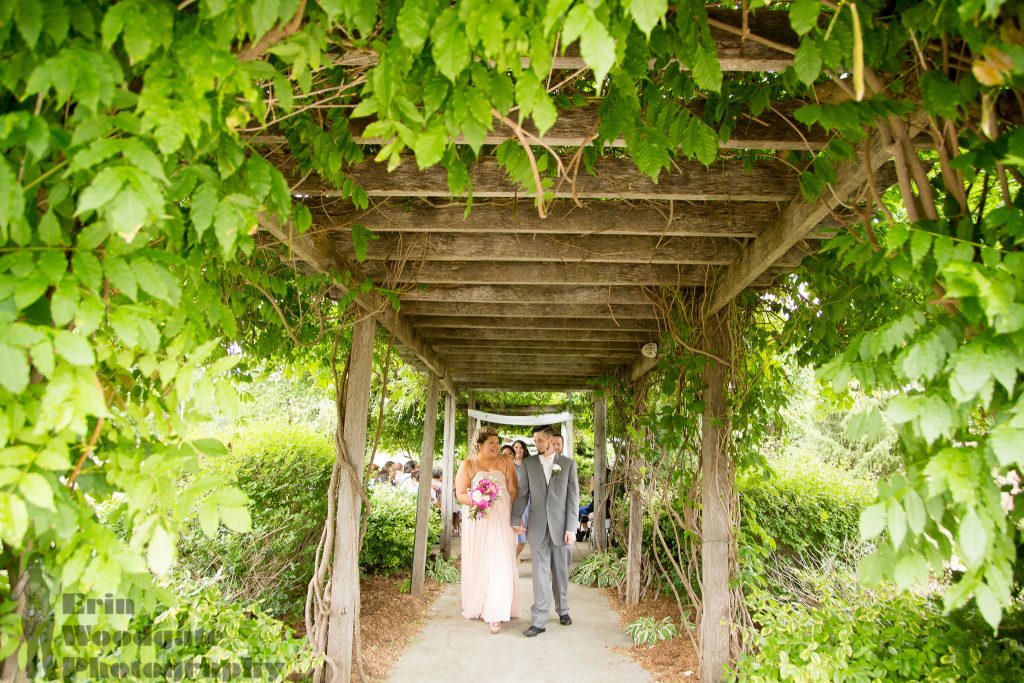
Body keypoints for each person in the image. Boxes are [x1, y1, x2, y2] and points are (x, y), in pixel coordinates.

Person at [511, 424, 579, 637]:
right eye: (535, 440)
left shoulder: (568, 464)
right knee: (539, 574)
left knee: (560, 571)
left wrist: (571, 528)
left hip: (561, 528)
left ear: (551, 441)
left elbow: (573, 499)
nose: (536, 444)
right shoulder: (529, 464)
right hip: (538, 526)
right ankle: (539, 619)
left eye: (539, 440)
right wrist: (515, 518)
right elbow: (523, 494)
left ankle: (563, 609)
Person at [456, 426, 520, 634]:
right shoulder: (468, 464)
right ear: (480, 444)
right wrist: (477, 500)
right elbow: (460, 494)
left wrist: (514, 518)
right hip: (479, 519)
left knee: (500, 560)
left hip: (502, 519)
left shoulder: (506, 461)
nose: (496, 446)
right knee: (482, 561)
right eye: (491, 443)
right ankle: (483, 604)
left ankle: (496, 612)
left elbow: (513, 490)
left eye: (497, 442)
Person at [511, 439, 531, 559]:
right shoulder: (508, 466)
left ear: (524, 450)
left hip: (528, 502)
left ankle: (512, 560)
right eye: (516, 447)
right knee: (516, 535)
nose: (518, 449)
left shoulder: (528, 465)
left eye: (521, 447)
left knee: (523, 538)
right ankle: (510, 561)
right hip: (514, 501)